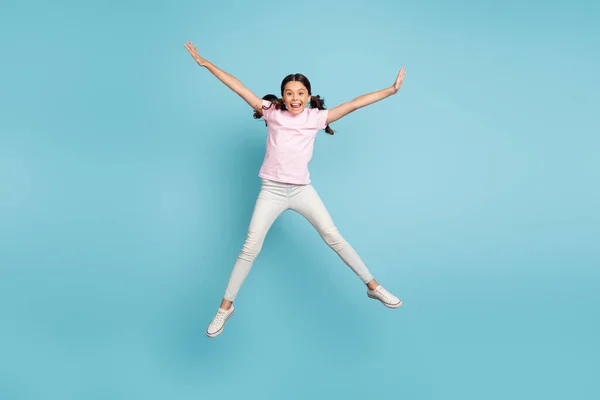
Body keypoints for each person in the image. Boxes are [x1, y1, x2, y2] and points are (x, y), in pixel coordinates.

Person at [184, 41, 406, 338]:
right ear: (282, 96)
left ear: (309, 97)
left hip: (302, 191)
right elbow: (238, 87)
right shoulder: (271, 112)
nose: (294, 97)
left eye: (300, 93)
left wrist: (389, 91)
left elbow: (354, 103)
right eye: (289, 93)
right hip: (271, 191)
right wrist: (206, 63)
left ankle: (373, 287)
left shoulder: (316, 118)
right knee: (250, 248)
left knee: (333, 237)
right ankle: (225, 308)